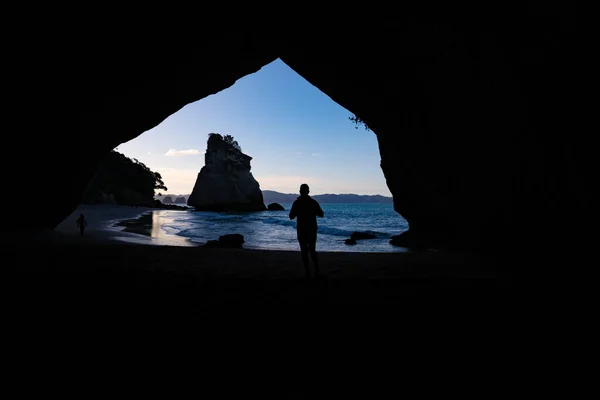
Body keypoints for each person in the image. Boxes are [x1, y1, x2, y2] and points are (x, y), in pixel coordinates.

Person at [289, 184, 324, 279]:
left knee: (304, 251)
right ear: (308, 191)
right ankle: (316, 271)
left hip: (301, 230)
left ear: (300, 191)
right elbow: (321, 214)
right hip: (312, 229)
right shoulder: (313, 202)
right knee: (312, 250)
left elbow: (291, 216)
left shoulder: (296, 203)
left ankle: (308, 273)